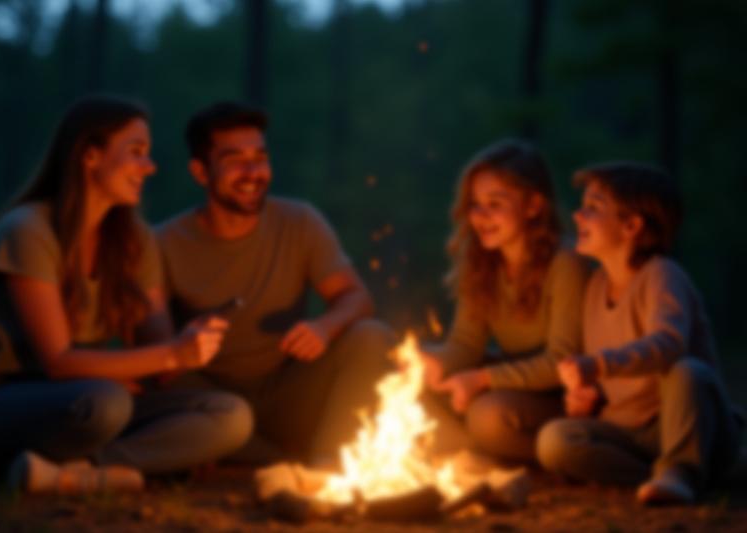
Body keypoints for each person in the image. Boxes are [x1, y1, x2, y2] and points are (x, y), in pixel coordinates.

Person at [0, 95, 252, 493]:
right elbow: (58, 362)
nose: (150, 166)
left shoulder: (134, 240)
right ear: (90, 156)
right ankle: (125, 463)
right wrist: (173, 352)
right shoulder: (29, 231)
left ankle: (75, 473)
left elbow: (158, 349)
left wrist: (186, 346)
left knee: (230, 414)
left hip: (75, 400)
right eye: (136, 152)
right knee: (106, 404)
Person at [156, 101, 394, 466]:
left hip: (287, 392)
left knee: (372, 335)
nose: (253, 172)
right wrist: (185, 343)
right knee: (182, 394)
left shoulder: (299, 221)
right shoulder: (164, 243)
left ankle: (328, 465)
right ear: (200, 172)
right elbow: (152, 354)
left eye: (261, 157)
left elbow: (357, 298)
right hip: (211, 400)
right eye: (235, 159)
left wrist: (324, 327)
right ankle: (265, 460)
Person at [536, 162, 744, 504]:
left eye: (593, 208)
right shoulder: (595, 286)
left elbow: (668, 344)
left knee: (687, 370)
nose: (578, 215)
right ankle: (665, 477)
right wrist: (588, 398)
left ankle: (683, 470)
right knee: (555, 440)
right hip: (631, 433)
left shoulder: (662, 275)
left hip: (691, 425)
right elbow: (614, 376)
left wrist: (598, 364)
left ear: (632, 225)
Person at [422, 139, 589, 463]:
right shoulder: (483, 263)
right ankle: (473, 454)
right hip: (508, 384)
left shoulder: (566, 264)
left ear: (533, 206)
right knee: (411, 383)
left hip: (562, 396)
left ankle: (544, 456)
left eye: (495, 204)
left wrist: (481, 379)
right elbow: (466, 343)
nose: (480, 216)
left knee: (488, 416)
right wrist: (432, 364)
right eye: (474, 204)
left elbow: (561, 361)